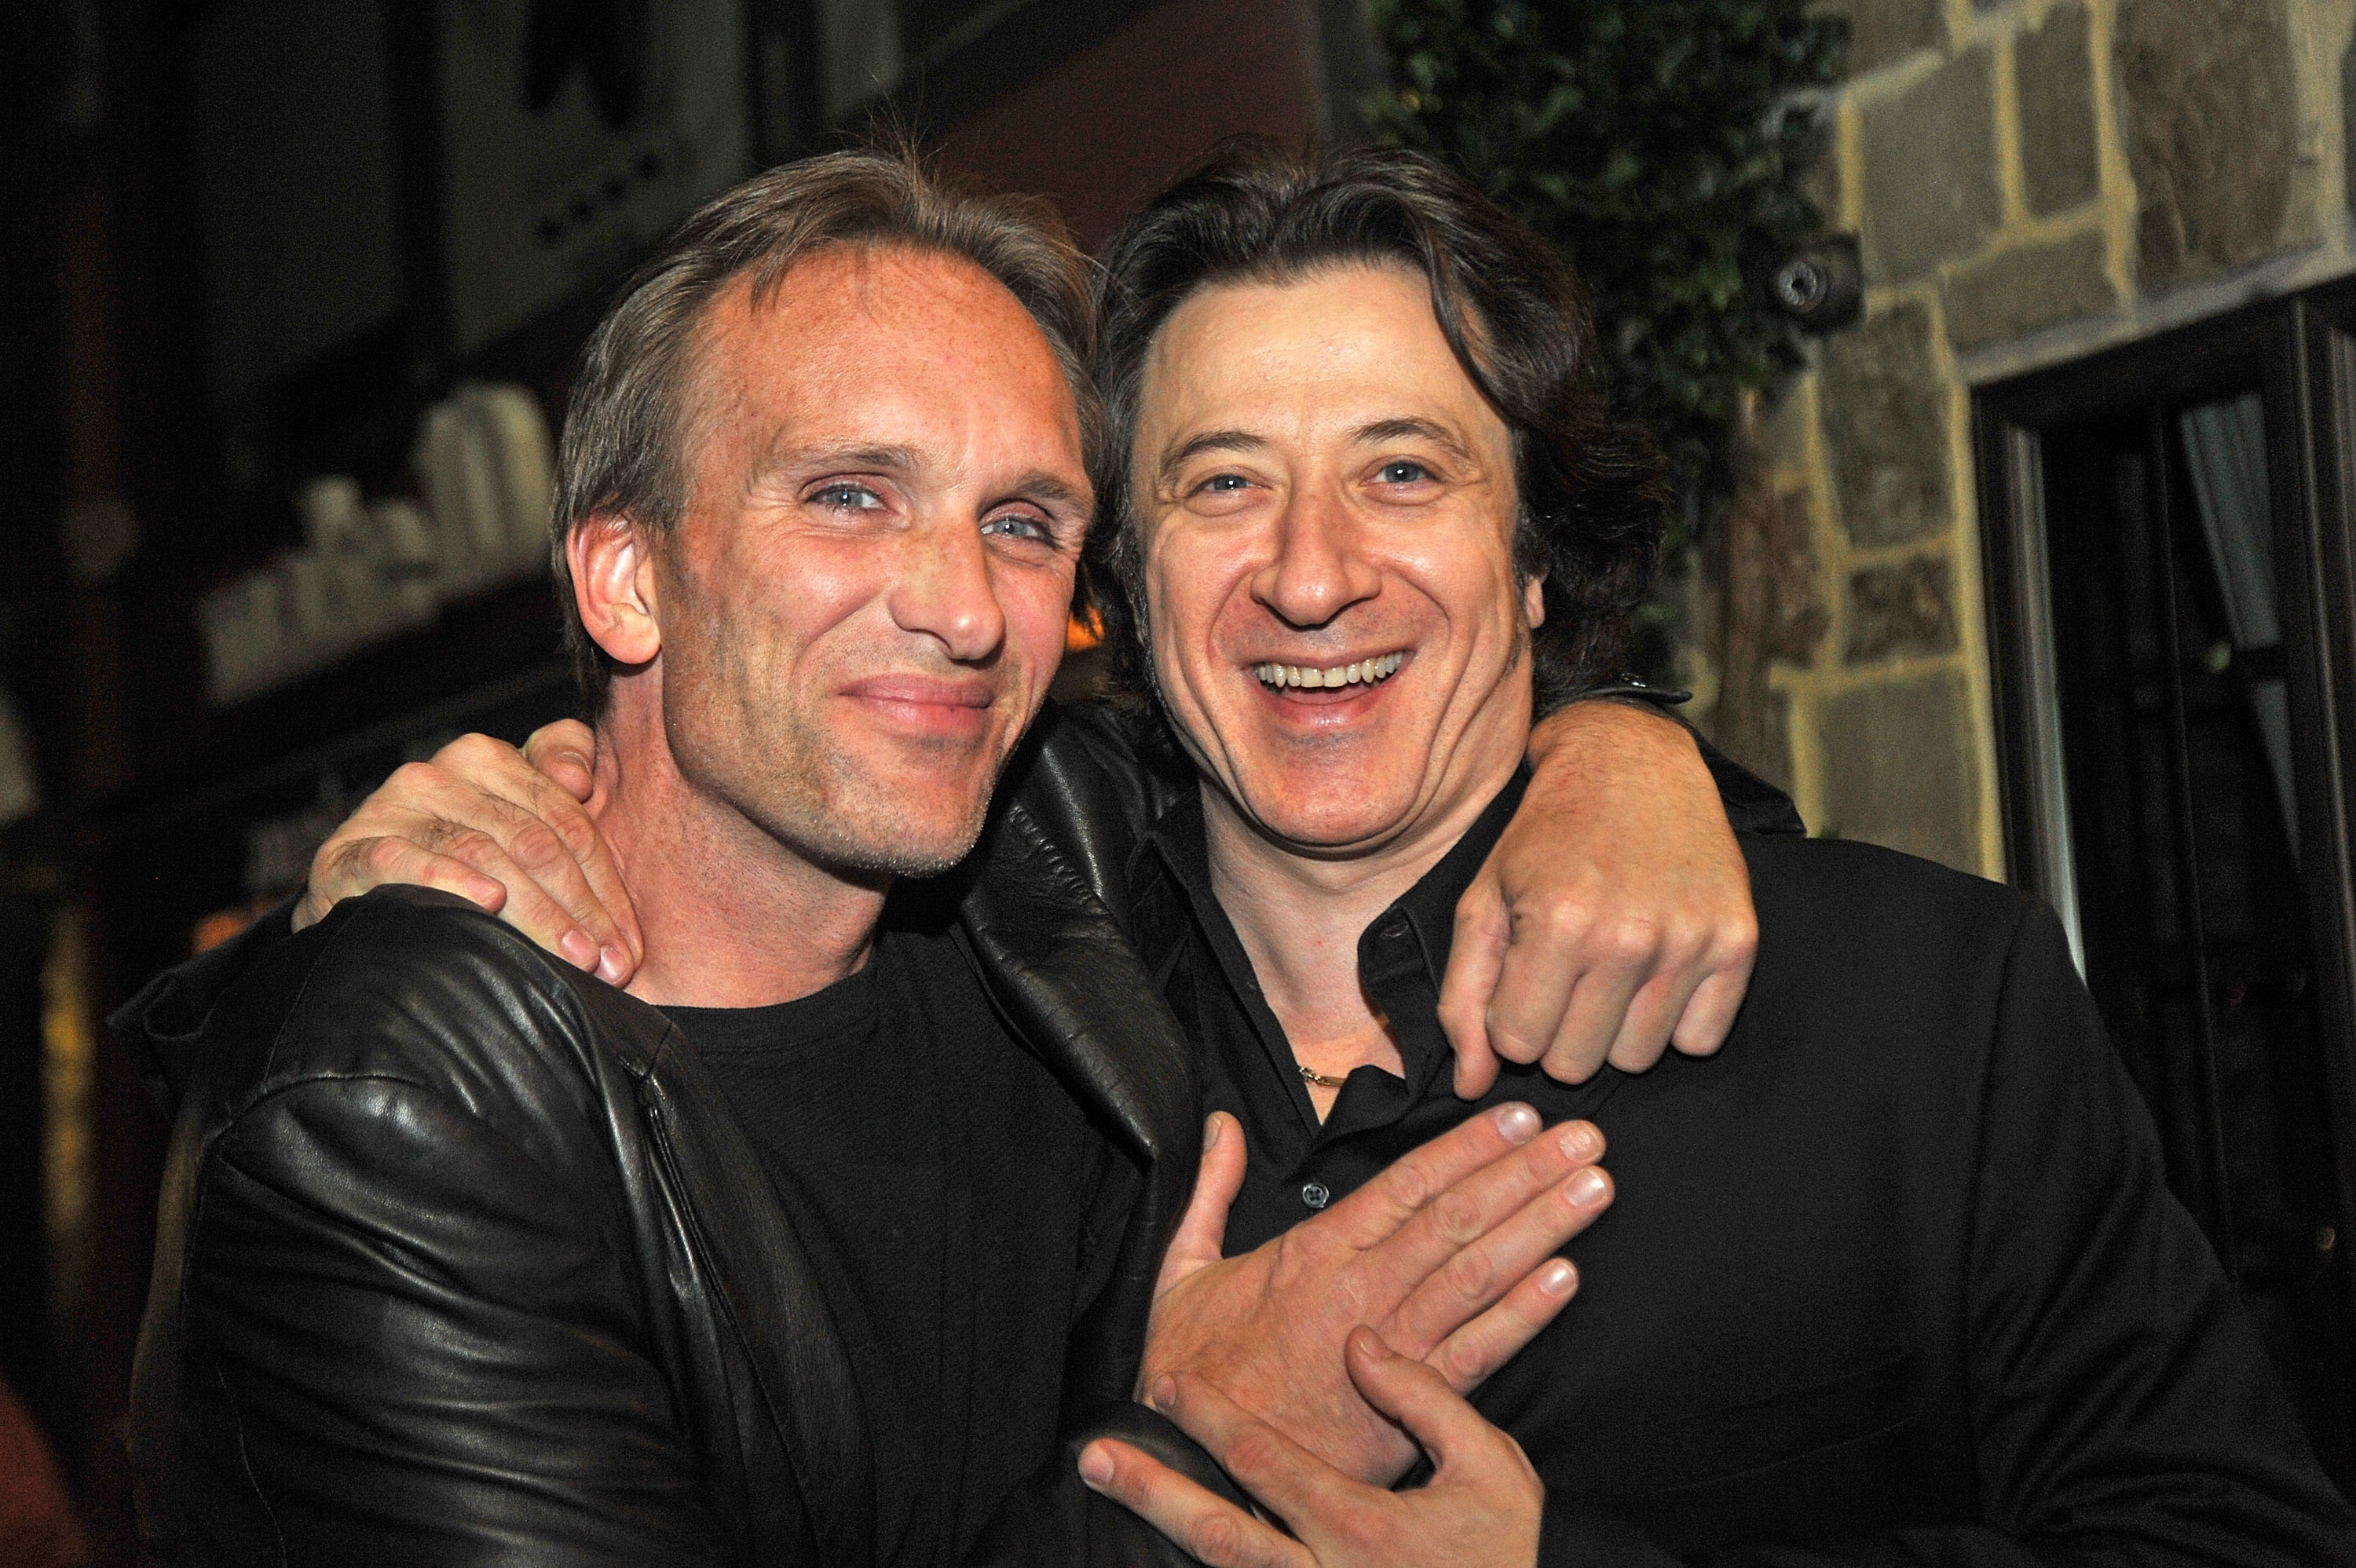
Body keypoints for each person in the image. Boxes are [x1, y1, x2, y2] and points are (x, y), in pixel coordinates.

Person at [294, 143, 2356, 1564]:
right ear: (1118, 584)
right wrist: (385, 902)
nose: (1309, 572)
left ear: (1534, 562)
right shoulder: (981, 1007)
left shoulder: (1918, 1010)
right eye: (1218, 484)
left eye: (1404, 471)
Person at [116, 147, 1766, 1567]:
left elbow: (1366, 728)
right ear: (625, 578)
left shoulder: (1042, 853)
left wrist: (1616, 758)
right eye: (851, 496)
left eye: (1023, 522)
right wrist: (1203, 1444)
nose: (964, 607)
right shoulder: (405, 1118)